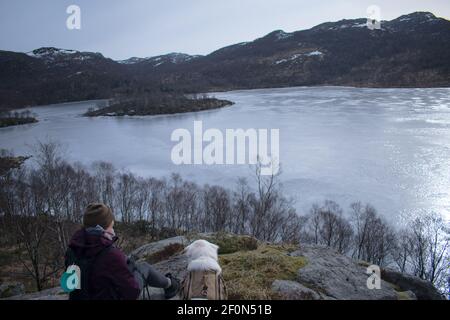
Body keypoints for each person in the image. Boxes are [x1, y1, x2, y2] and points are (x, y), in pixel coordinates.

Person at [65, 203, 180, 300]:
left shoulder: (72, 250)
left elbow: (69, 286)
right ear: (103, 228)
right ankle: (171, 285)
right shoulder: (110, 254)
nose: (113, 230)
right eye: (111, 225)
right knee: (143, 267)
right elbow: (132, 292)